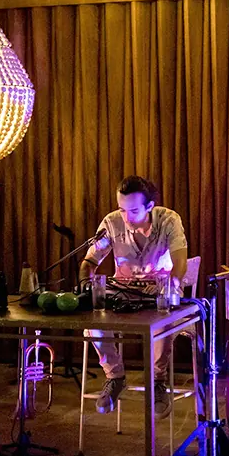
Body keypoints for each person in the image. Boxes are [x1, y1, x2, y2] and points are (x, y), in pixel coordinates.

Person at [79, 176, 188, 419]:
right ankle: (115, 376)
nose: (126, 218)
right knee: (93, 322)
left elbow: (180, 262)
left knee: (163, 321)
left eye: (134, 211)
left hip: (159, 290)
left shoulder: (169, 220)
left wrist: (172, 287)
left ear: (150, 207)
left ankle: (157, 381)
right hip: (123, 290)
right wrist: (86, 285)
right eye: (122, 209)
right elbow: (90, 261)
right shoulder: (112, 222)